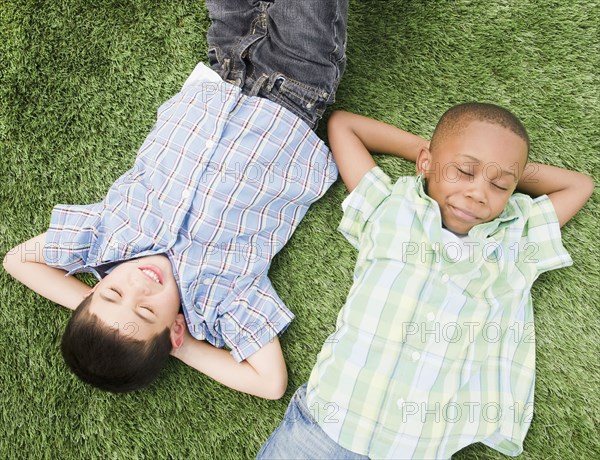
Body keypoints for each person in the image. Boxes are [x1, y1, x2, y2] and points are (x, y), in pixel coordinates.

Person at [2, 0, 348, 398]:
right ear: (176, 328)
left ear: (97, 288)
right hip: (295, 87)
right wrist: (178, 346)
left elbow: (17, 261)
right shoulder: (217, 299)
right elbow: (270, 384)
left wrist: (97, 305)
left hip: (224, 63)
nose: (137, 288)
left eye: (113, 294)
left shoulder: (104, 242)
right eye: (146, 312)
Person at [257, 105, 594, 458]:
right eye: (463, 170)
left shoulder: (514, 241)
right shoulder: (390, 208)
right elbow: (344, 126)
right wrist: (435, 153)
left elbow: (578, 185)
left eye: (499, 185)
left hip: (415, 449)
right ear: (425, 162)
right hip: (324, 429)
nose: (479, 193)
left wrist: (501, 171)